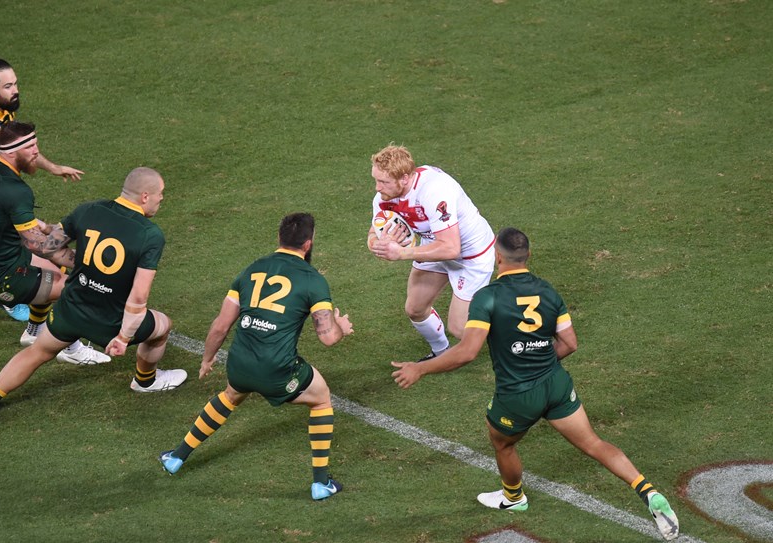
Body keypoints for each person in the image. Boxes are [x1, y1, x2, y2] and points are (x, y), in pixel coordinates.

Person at [390, 227, 680, 541]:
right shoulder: (548, 291)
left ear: (497, 256)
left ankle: (513, 498)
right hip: (555, 384)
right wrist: (538, 357)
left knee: (503, 443)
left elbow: (467, 352)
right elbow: (569, 343)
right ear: (528, 256)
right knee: (594, 444)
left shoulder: (487, 296)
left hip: (517, 395)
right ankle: (647, 491)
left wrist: (421, 369)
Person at [0, 166, 186, 421]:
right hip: (110, 319)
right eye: (160, 193)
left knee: (36, 353)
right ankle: (145, 381)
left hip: (71, 309)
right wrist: (123, 338)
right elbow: (138, 297)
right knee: (163, 327)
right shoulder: (150, 234)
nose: (162, 198)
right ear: (145, 196)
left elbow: (47, 248)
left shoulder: (88, 210)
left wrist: (79, 262)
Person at [159, 213, 354, 501]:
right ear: (309, 244)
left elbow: (220, 325)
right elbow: (328, 337)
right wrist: (342, 327)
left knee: (231, 395)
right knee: (321, 398)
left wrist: (207, 359)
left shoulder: (252, 269)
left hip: (238, 363)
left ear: (279, 238)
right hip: (276, 370)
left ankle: (176, 457)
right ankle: (320, 484)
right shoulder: (313, 280)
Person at [0, 58, 83, 321]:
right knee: (28, 253)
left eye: (16, 83)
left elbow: (19, 149)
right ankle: (9, 294)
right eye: (8, 86)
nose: (15, 90)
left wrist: (52, 167)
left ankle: (33, 320)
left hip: (0, 202)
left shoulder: (3, 111)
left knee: (37, 251)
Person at [0, 120, 109, 365]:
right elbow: (40, 247)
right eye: (30, 148)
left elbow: (10, 220)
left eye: (36, 144)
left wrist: (44, 226)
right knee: (76, 287)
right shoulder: (15, 191)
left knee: (54, 272)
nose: (36, 153)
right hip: (0, 277)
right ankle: (71, 347)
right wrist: (89, 262)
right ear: (11, 152)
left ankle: (34, 331)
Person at [367, 144, 495, 361]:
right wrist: (377, 244)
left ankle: (520, 327)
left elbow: (451, 248)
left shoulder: (434, 191)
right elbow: (374, 231)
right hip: (433, 244)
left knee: (460, 329)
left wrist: (401, 254)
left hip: (470, 255)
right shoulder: (385, 197)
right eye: (376, 180)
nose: (377, 188)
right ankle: (441, 352)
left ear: (404, 178)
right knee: (415, 308)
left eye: (383, 182)